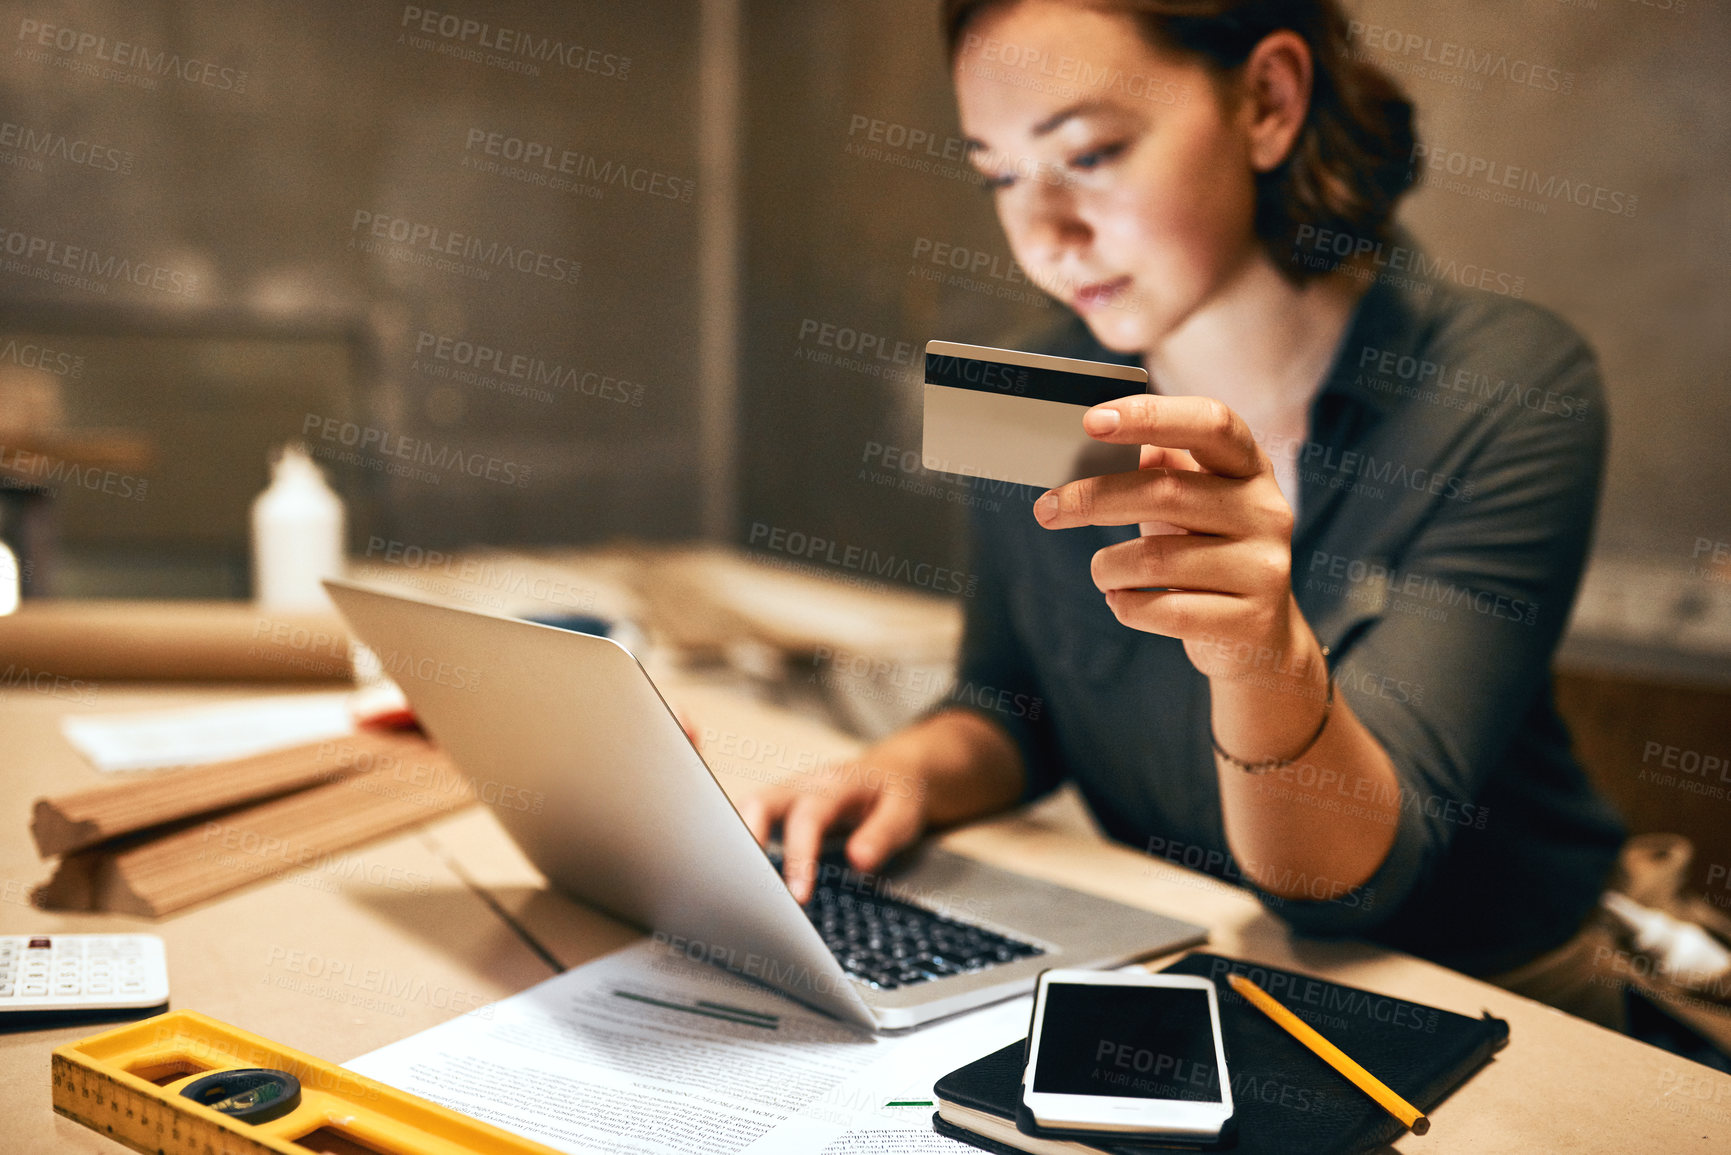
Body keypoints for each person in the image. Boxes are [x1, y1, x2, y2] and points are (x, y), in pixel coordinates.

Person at [739, 0, 1627, 1024]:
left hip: (1487, 1010)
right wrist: (903, 773)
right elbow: (1009, 704)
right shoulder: (1027, 384)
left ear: (1268, 101)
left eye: (1094, 153)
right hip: (1196, 988)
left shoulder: (1509, 385)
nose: (1045, 238)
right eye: (1000, 175)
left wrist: (1262, 657)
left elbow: (1345, 888)